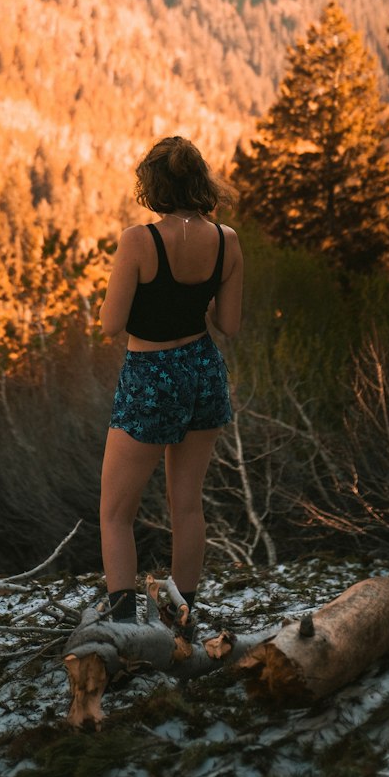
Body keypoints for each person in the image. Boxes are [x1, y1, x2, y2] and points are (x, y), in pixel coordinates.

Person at [98, 135, 243, 624]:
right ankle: (181, 620)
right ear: (200, 180)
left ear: (152, 187)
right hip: (202, 369)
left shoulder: (139, 241)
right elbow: (230, 324)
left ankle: (122, 626)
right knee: (187, 505)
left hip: (150, 376)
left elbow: (111, 324)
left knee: (116, 513)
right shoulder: (227, 240)